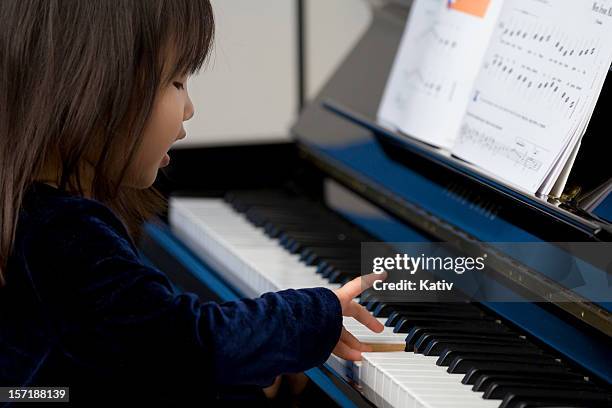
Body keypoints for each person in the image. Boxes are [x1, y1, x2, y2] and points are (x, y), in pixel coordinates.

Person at [0, 0, 384, 404]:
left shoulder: (30, 210)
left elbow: (123, 354)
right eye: (177, 82)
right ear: (92, 87)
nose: (189, 107)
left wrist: (246, 371)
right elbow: (183, 343)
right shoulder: (65, 232)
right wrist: (311, 317)